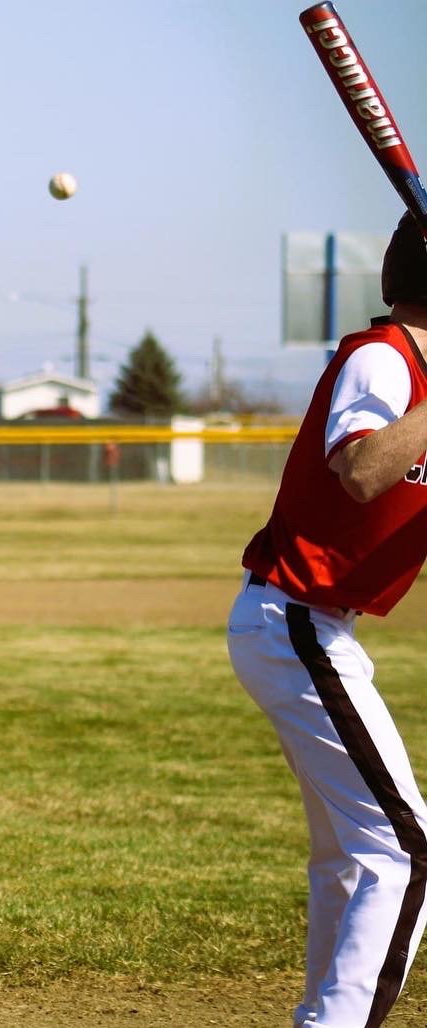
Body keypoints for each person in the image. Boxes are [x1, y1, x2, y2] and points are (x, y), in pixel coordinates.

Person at [228, 212, 427, 1028]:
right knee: (407, 852)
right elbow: (361, 469)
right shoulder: (383, 360)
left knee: (349, 859)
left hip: (312, 626)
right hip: (296, 621)